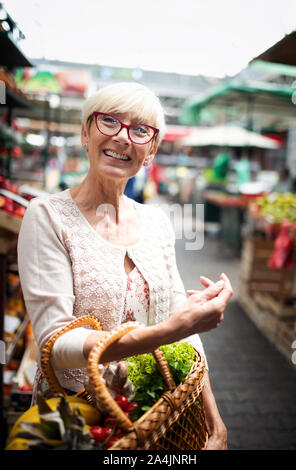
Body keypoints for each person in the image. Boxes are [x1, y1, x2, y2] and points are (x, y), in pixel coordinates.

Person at [17, 82, 233, 450]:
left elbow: (183, 324)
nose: (122, 137)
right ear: (85, 134)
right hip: (78, 422)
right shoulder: (48, 217)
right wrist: (165, 332)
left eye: (139, 129)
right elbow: (56, 346)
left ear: (151, 150)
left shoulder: (158, 222)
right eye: (109, 122)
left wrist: (214, 421)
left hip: (155, 417)